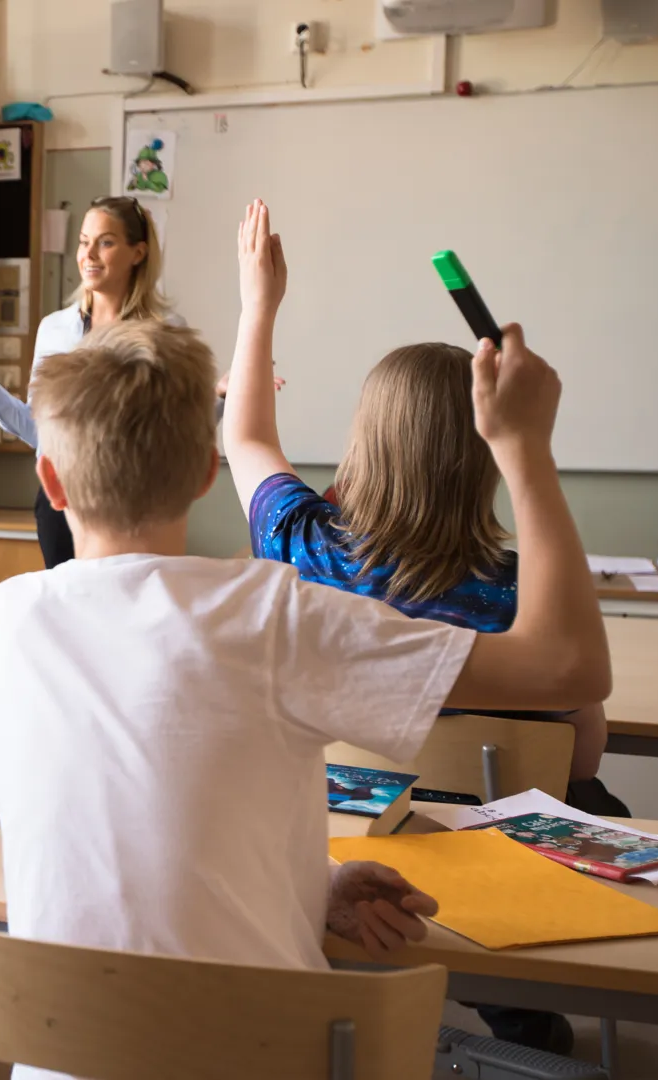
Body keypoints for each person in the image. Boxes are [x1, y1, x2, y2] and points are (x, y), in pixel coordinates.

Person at [0, 316, 611, 1080]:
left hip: (60, 1059)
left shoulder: (7, 618)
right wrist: (526, 447)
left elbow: (123, 831)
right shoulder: (276, 616)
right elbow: (570, 668)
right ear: (205, 473)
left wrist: (315, 884)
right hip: (263, 1057)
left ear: (51, 481)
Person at [222, 199, 625, 1052]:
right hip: (495, 858)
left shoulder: (297, 540)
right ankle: (520, 1013)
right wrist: (531, 448)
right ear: (483, 456)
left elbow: (245, 435)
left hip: (338, 838)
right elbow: (580, 754)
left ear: (363, 438)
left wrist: (259, 305)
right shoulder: (522, 594)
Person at [0, 196, 279, 568]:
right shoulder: (55, 330)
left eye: (105, 242)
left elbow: (179, 432)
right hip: (61, 505)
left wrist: (221, 395)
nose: (88, 254)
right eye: (83, 242)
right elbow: (41, 433)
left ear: (138, 253)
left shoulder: (167, 331)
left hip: (141, 504)